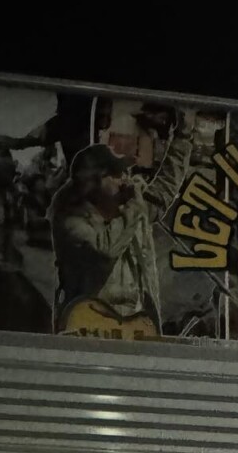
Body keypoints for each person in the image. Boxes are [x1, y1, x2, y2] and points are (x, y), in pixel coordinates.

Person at [49, 115, 193, 333]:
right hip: (89, 325)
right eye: (117, 174)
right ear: (92, 182)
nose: (126, 180)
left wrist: (183, 136)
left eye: (126, 172)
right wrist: (134, 206)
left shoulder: (129, 210)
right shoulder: (71, 221)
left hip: (133, 322)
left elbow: (164, 191)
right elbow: (105, 250)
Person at [0, 138, 51, 331]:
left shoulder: (6, 197)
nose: (12, 172)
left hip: (2, 270)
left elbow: (10, 238)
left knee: (39, 311)